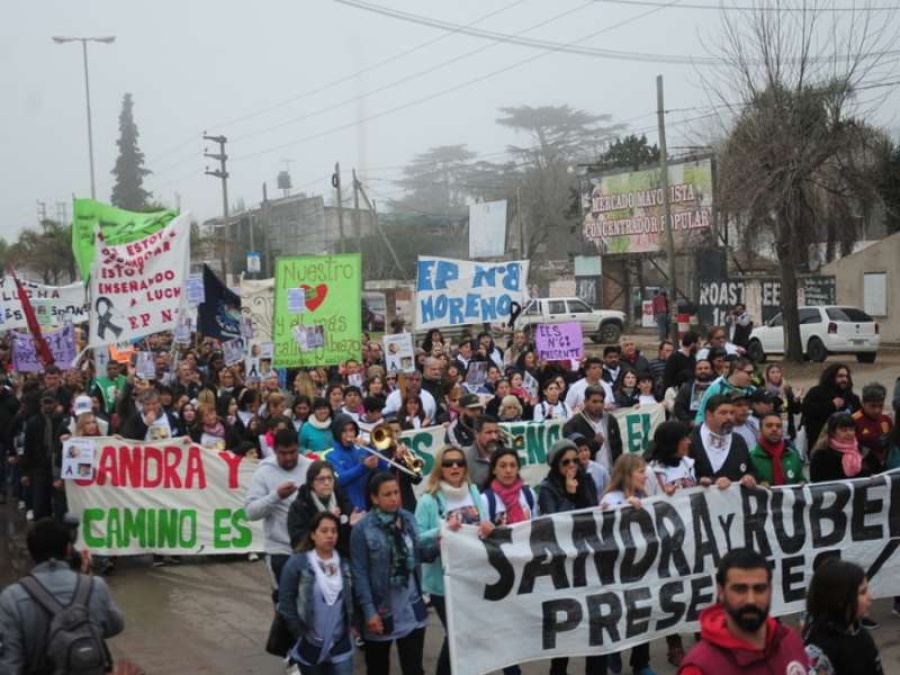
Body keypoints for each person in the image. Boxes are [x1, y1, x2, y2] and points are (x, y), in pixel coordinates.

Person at [0, 518, 125, 672]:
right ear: (68, 549)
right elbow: (115, 626)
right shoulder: (95, 586)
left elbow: (10, 662)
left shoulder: (12, 597)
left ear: (31, 553)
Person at [415, 446, 492, 675]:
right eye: (448, 463)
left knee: (467, 635)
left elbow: (484, 524)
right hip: (443, 582)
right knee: (456, 634)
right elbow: (417, 539)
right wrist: (442, 531)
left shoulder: (475, 492)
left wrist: (488, 527)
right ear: (440, 468)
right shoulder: (428, 500)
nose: (455, 467)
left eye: (459, 462)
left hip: (472, 576)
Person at [678, 548, 808, 674]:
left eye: (759, 589)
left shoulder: (790, 641)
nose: (751, 600)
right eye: (740, 589)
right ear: (721, 592)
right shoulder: (698, 668)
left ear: (771, 590)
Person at [351, 472, 432, 675]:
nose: (394, 498)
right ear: (374, 498)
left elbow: (418, 555)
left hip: (411, 606)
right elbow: (359, 574)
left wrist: (442, 542)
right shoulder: (363, 529)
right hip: (381, 609)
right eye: (387, 494)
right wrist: (369, 612)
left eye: (396, 492)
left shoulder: (408, 518)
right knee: (378, 668)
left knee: (414, 668)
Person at [538, 439, 604, 675]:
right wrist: (568, 492)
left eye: (575, 460)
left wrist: (579, 490)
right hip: (562, 564)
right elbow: (556, 523)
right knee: (565, 625)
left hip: (588, 559)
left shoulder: (586, 479)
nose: (572, 466)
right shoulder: (547, 488)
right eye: (566, 462)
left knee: (595, 623)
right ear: (556, 464)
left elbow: (592, 512)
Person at [599, 454, 656, 675]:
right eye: (640, 471)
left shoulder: (645, 495)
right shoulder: (610, 498)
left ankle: (641, 662)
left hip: (641, 566)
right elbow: (605, 525)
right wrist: (623, 506)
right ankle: (613, 658)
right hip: (617, 569)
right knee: (618, 615)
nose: (645, 475)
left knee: (642, 613)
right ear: (627, 474)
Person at [278, 512, 355, 675]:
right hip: (311, 643)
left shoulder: (344, 562)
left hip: (340, 642)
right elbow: (285, 601)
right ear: (313, 534)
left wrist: (355, 624)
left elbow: (353, 597)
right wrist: (298, 633)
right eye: (324, 531)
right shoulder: (298, 562)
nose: (330, 536)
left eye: (334, 531)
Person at [245, 428, 314, 604]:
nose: (289, 457)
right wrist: (276, 496)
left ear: (298, 447)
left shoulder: (311, 468)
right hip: (279, 549)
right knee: (286, 605)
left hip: (310, 548)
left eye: (293, 452)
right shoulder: (264, 471)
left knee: (310, 604)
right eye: (283, 453)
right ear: (274, 450)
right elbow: (251, 512)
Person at [803, 559, 883, 675]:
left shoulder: (861, 635)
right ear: (839, 599)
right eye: (862, 592)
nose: (870, 597)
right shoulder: (818, 649)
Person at [287, 460, 357, 555]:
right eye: (321, 479)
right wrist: (324, 521)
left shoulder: (343, 501)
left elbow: (348, 542)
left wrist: (353, 527)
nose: (327, 483)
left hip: (340, 557)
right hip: (311, 559)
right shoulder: (299, 506)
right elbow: (298, 541)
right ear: (311, 482)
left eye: (330, 478)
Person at [690, 395, 757, 489]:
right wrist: (713, 481)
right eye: (723, 413)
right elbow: (682, 478)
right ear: (709, 414)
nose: (729, 417)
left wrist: (749, 477)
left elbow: (751, 470)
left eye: (732, 413)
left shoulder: (738, 441)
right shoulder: (691, 440)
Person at [20, 390, 67, 520]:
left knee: (58, 505)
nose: (48, 405)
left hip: (56, 467)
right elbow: (27, 448)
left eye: (50, 402)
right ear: (41, 403)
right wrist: (25, 472)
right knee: (40, 503)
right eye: (45, 402)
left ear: (56, 403)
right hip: (38, 467)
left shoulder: (62, 421)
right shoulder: (33, 422)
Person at [801, 363, 861, 451]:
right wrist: (831, 406)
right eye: (840, 376)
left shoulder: (852, 398)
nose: (844, 379)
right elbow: (807, 410)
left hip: (847, 448)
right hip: (821, 447)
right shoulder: (816, 392)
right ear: (831, 377)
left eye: (846, 376)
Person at [563, 385, 622, 473]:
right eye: (594, 402)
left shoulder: (611, 420)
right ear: (585, 402)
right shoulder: (573, 424)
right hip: (586, 474)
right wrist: (594, 444)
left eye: (601, 402)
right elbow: (573, 454)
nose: (598, 405)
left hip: (611, 473)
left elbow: (618, 448)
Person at [481, 446, 539, 526]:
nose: (508, 470)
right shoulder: (485, 500)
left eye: (512, 465)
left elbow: (536, 525)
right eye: (503, 466)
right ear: (494, 470)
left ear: (518, 468)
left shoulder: (529, 493)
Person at [694, 358, 757, 423]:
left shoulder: (753, 390)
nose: (752, 376)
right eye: (749, 373)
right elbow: (701, 414)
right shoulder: (716, 389)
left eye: (753, 373)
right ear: (736, 371)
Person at [749, 413, 805, 486]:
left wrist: (802, 483)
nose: (774, 429)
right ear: (760, 430)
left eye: (778, 426)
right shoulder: (751, 457)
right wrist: (758, 486)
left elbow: (801, 479)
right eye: (769, 426)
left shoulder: (792, 455)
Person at [852, 382, 893, 476]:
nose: (877, 410)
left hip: (885, 469)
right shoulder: (853, 421)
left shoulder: (886, 420)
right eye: (873, 406)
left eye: (880, 406)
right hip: (864, 472)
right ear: (863, 403)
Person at [809, 413, 864, 483]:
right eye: (844, 430)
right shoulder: (821, 455)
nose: (849, 433)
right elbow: (816, 484)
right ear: (832, 432)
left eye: (852, 429)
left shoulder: (862, 450)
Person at [463, 415, 503, 487]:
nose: (494, 437)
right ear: (476, 434)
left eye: (496, 432)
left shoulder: (504, 454)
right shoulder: (466, 459)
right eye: (488, 433)